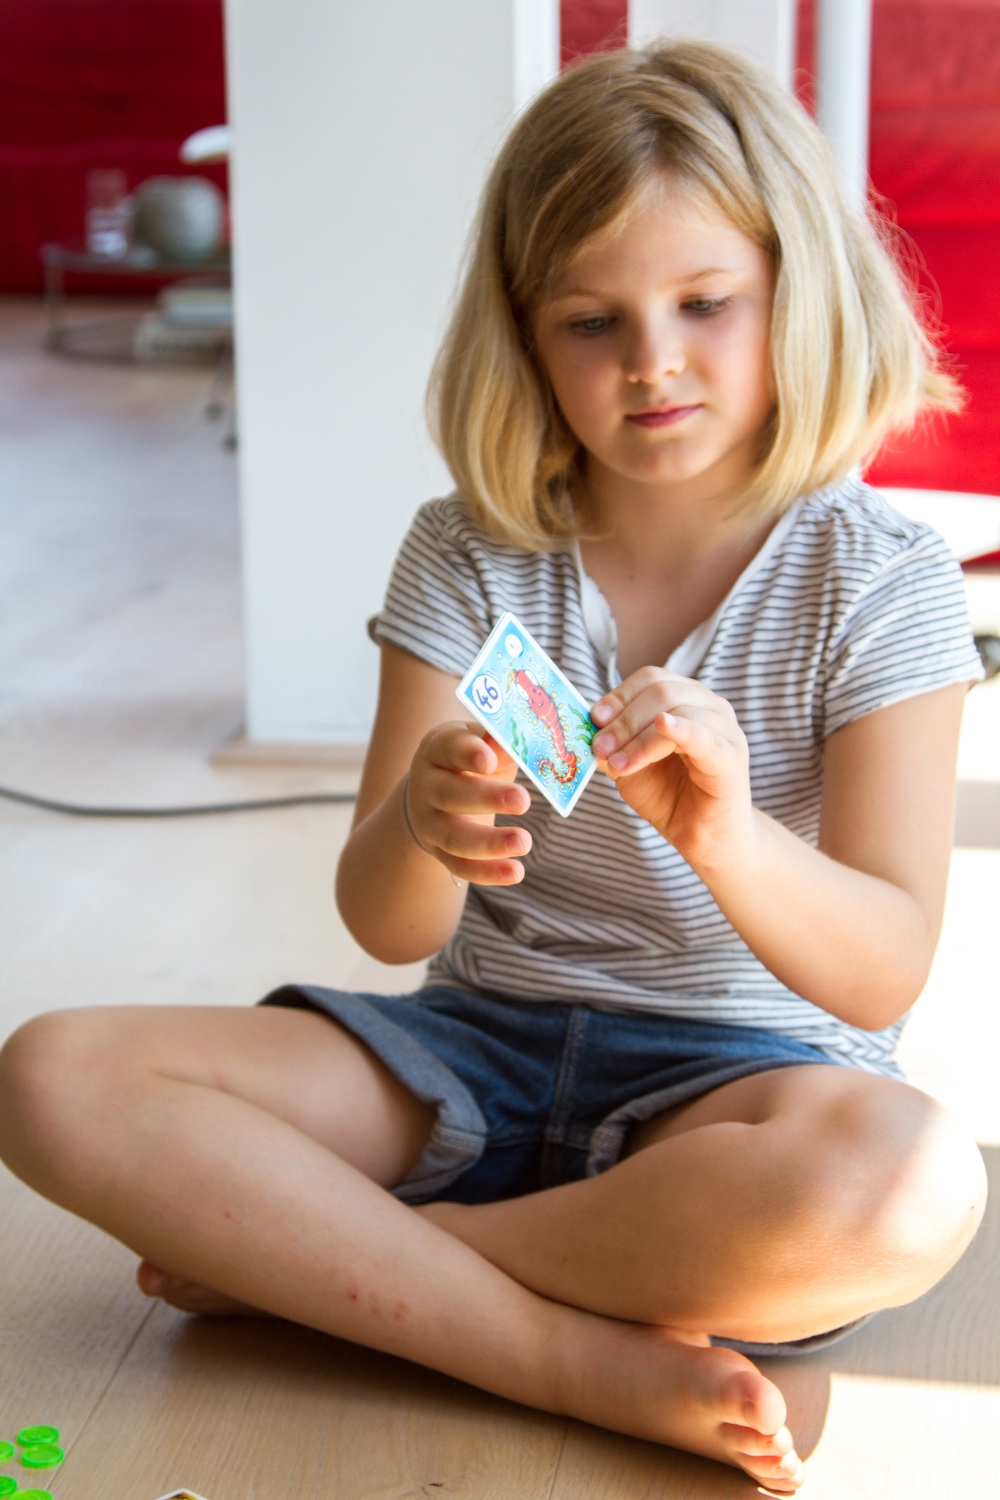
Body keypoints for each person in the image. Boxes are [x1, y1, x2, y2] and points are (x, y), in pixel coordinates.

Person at [0, 40, 988, 1492]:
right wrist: (420, 818)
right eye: (593, 322)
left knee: (908, 1187)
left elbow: (885, 970)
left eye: (706, 304)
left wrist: (726, 835)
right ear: (526, 340)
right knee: (53, 1076)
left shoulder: (885, 576)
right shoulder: (470, 553)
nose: (653, 362)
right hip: (476, 1053)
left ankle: (337, 1272)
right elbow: (388, 924)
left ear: (799, 291)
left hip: (749, 1086)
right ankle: (558, 1352)